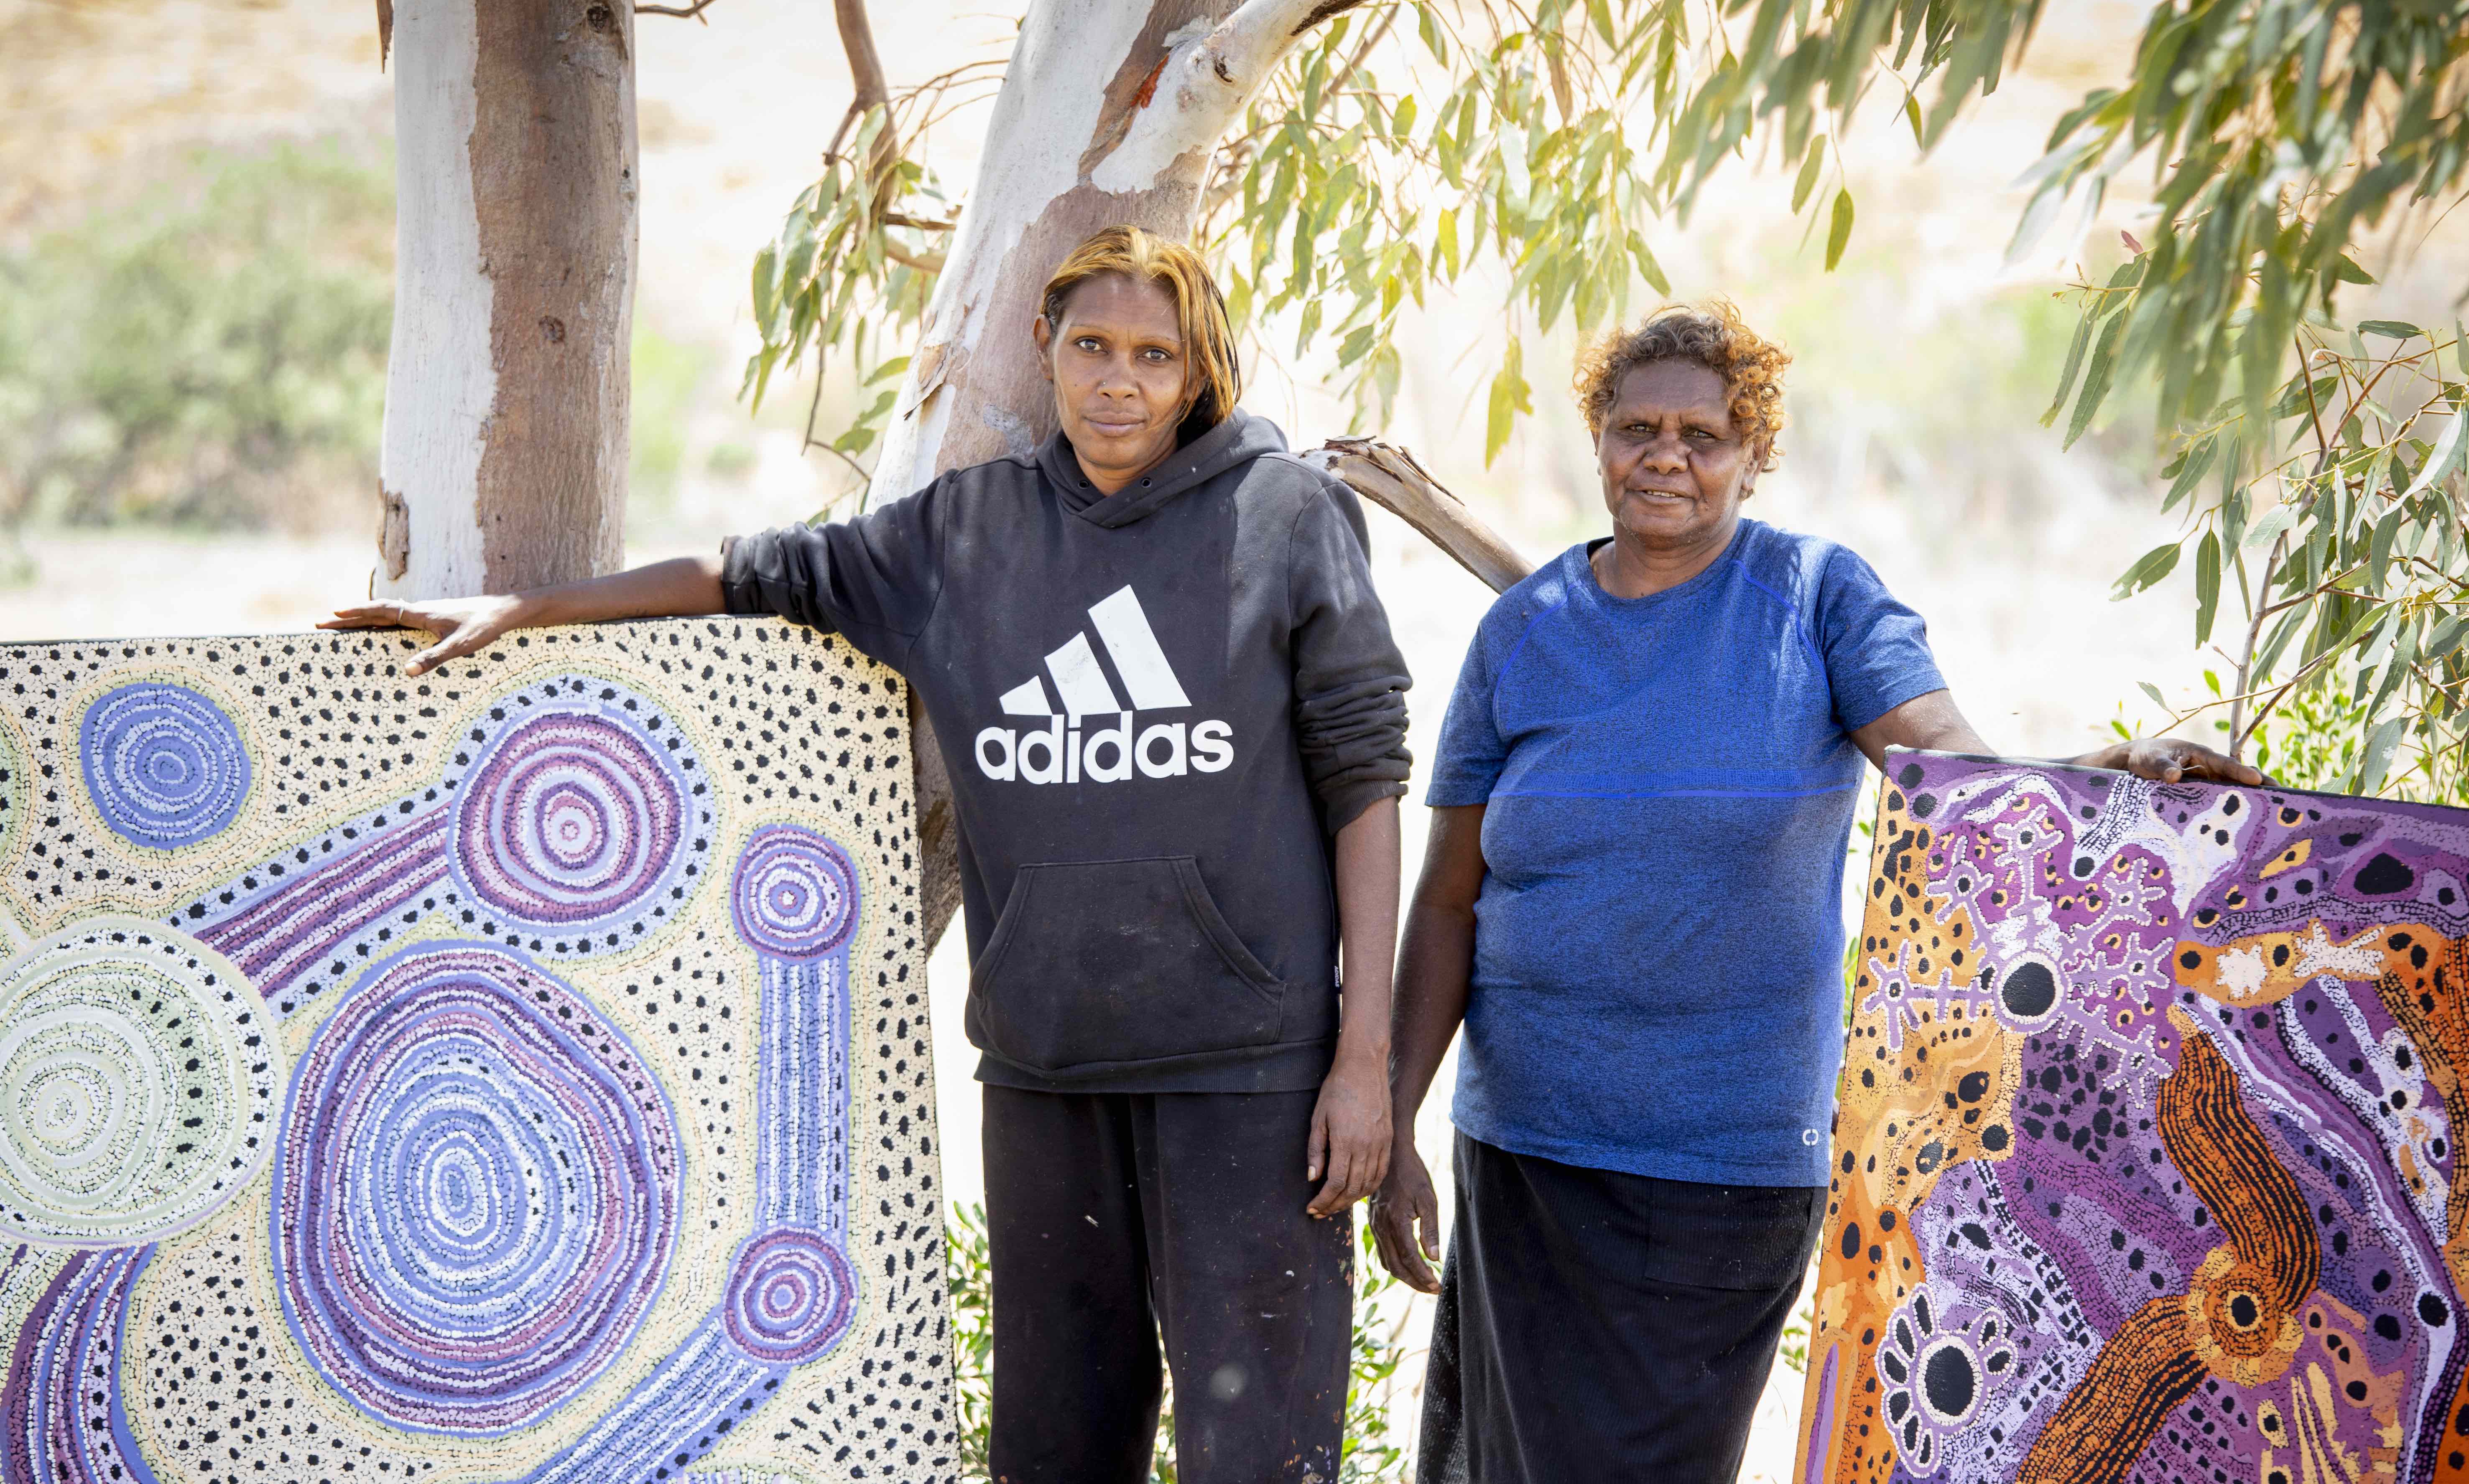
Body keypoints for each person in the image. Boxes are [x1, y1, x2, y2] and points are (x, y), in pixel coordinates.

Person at [326, 226, 1409, 1484]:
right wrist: (524, 608)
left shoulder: (1283, 518)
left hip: (1252, 1079)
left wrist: (1363, 1059)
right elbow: (747, 574)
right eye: (1092, 346)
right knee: (1051, 1457)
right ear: (1046, 352)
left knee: (1261, 1461)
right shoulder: (964, 534)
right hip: (1044, 1074)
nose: (1119, 380)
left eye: (1154, 356)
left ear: (1197, 370)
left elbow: (1365, 776)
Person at [1367, 300, 2261, 1484]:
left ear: (1753, 450)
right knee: (1500, 1465)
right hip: (1523, 1152)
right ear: (1596, 438)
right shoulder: (1523, 631)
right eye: (1638, 427)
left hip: (1723, 1166)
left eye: (1704, 433)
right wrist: (1394, 1122)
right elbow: (1444, 903)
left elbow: (1951, 772)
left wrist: (2114, 771)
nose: (1667, 457)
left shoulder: (1810, 597)